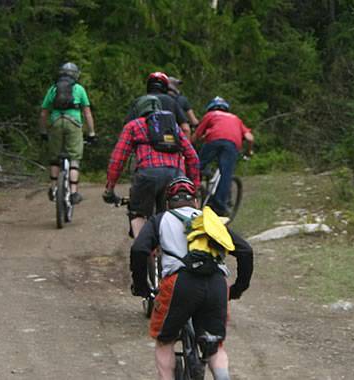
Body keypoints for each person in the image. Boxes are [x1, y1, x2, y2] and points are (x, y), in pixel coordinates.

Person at [130, 177, 253, 380]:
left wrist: (142, 286)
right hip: (216, 284)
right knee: (214, 346)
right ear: (196, 201)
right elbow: (245, 250)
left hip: (179, 284)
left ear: (167, 203)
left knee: (164, 341)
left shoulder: (160, 219)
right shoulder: (209, 220)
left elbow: (139, 249)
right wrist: (238, 288)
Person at [103, 96, 201, 239]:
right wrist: (194, 186)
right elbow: (193, 157)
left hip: (147, 176)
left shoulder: (133, 126)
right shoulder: (172, 127)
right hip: (175, 176)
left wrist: (110, 188)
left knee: (138, 213)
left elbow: (117, 160)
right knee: (173, 217)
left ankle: (141, 255)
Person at [39, 62, 96, 204]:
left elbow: (43, 113)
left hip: (56, 122)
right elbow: (87, 113)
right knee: (74, 158)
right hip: (73, 123)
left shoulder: (53, 89)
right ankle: (74, 193)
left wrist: (43, 131)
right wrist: (92, 133)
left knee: (54, 158)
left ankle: (53, 189)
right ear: (76, 74)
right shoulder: (79, 89)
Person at [193, 96, 254, 216]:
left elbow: (196, 135)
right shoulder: (236, 118)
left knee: (197, 165)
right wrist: (249, 151)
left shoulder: (211, 115)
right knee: (226, 174)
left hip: (213, 141)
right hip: (232, 145)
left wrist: (192, 145)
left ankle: (188, 187)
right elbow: (250, 138)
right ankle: (219, 206)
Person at [125, 72, 192, 135]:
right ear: (165, 87)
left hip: (143, 145)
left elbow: (127, 128)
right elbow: (185, 129)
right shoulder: (172, 101)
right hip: (169, 145)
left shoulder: (138, 101)